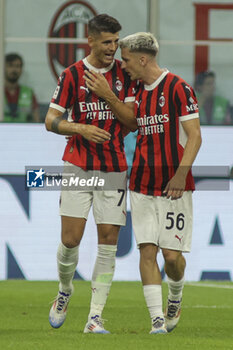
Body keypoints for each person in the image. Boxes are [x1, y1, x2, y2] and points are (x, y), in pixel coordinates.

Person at [84, 32, 202, 334]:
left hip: (175, 185)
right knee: (147, 250)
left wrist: (180, 173)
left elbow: (195, 136)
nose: (122, 66)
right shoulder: (136, 89)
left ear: (142, 58)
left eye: (125, 60)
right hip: (141, 182)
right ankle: (157, 321)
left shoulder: (178, 88)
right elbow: (130, 120)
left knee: (172, 258)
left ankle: (175, 296)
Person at [45, 14, 136, 334]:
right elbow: (51, 120)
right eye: (108, 42)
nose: (114, 48)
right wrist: (80, 128)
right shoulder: (72, 75)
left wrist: (109, 95)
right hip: (78, 165)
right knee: (70, 240)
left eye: (116, 41)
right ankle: (64, 291)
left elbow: (134, 121)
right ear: (91, 41)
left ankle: (95, 317)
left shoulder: (125, 75)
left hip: (113, 167)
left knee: (108, 242)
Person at [4, 53, 40, 123]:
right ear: (3, 68)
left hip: (23, 132)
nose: (14, 69)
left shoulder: (29, 93)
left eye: (18, 66)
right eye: (10, 65)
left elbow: (37, 121)